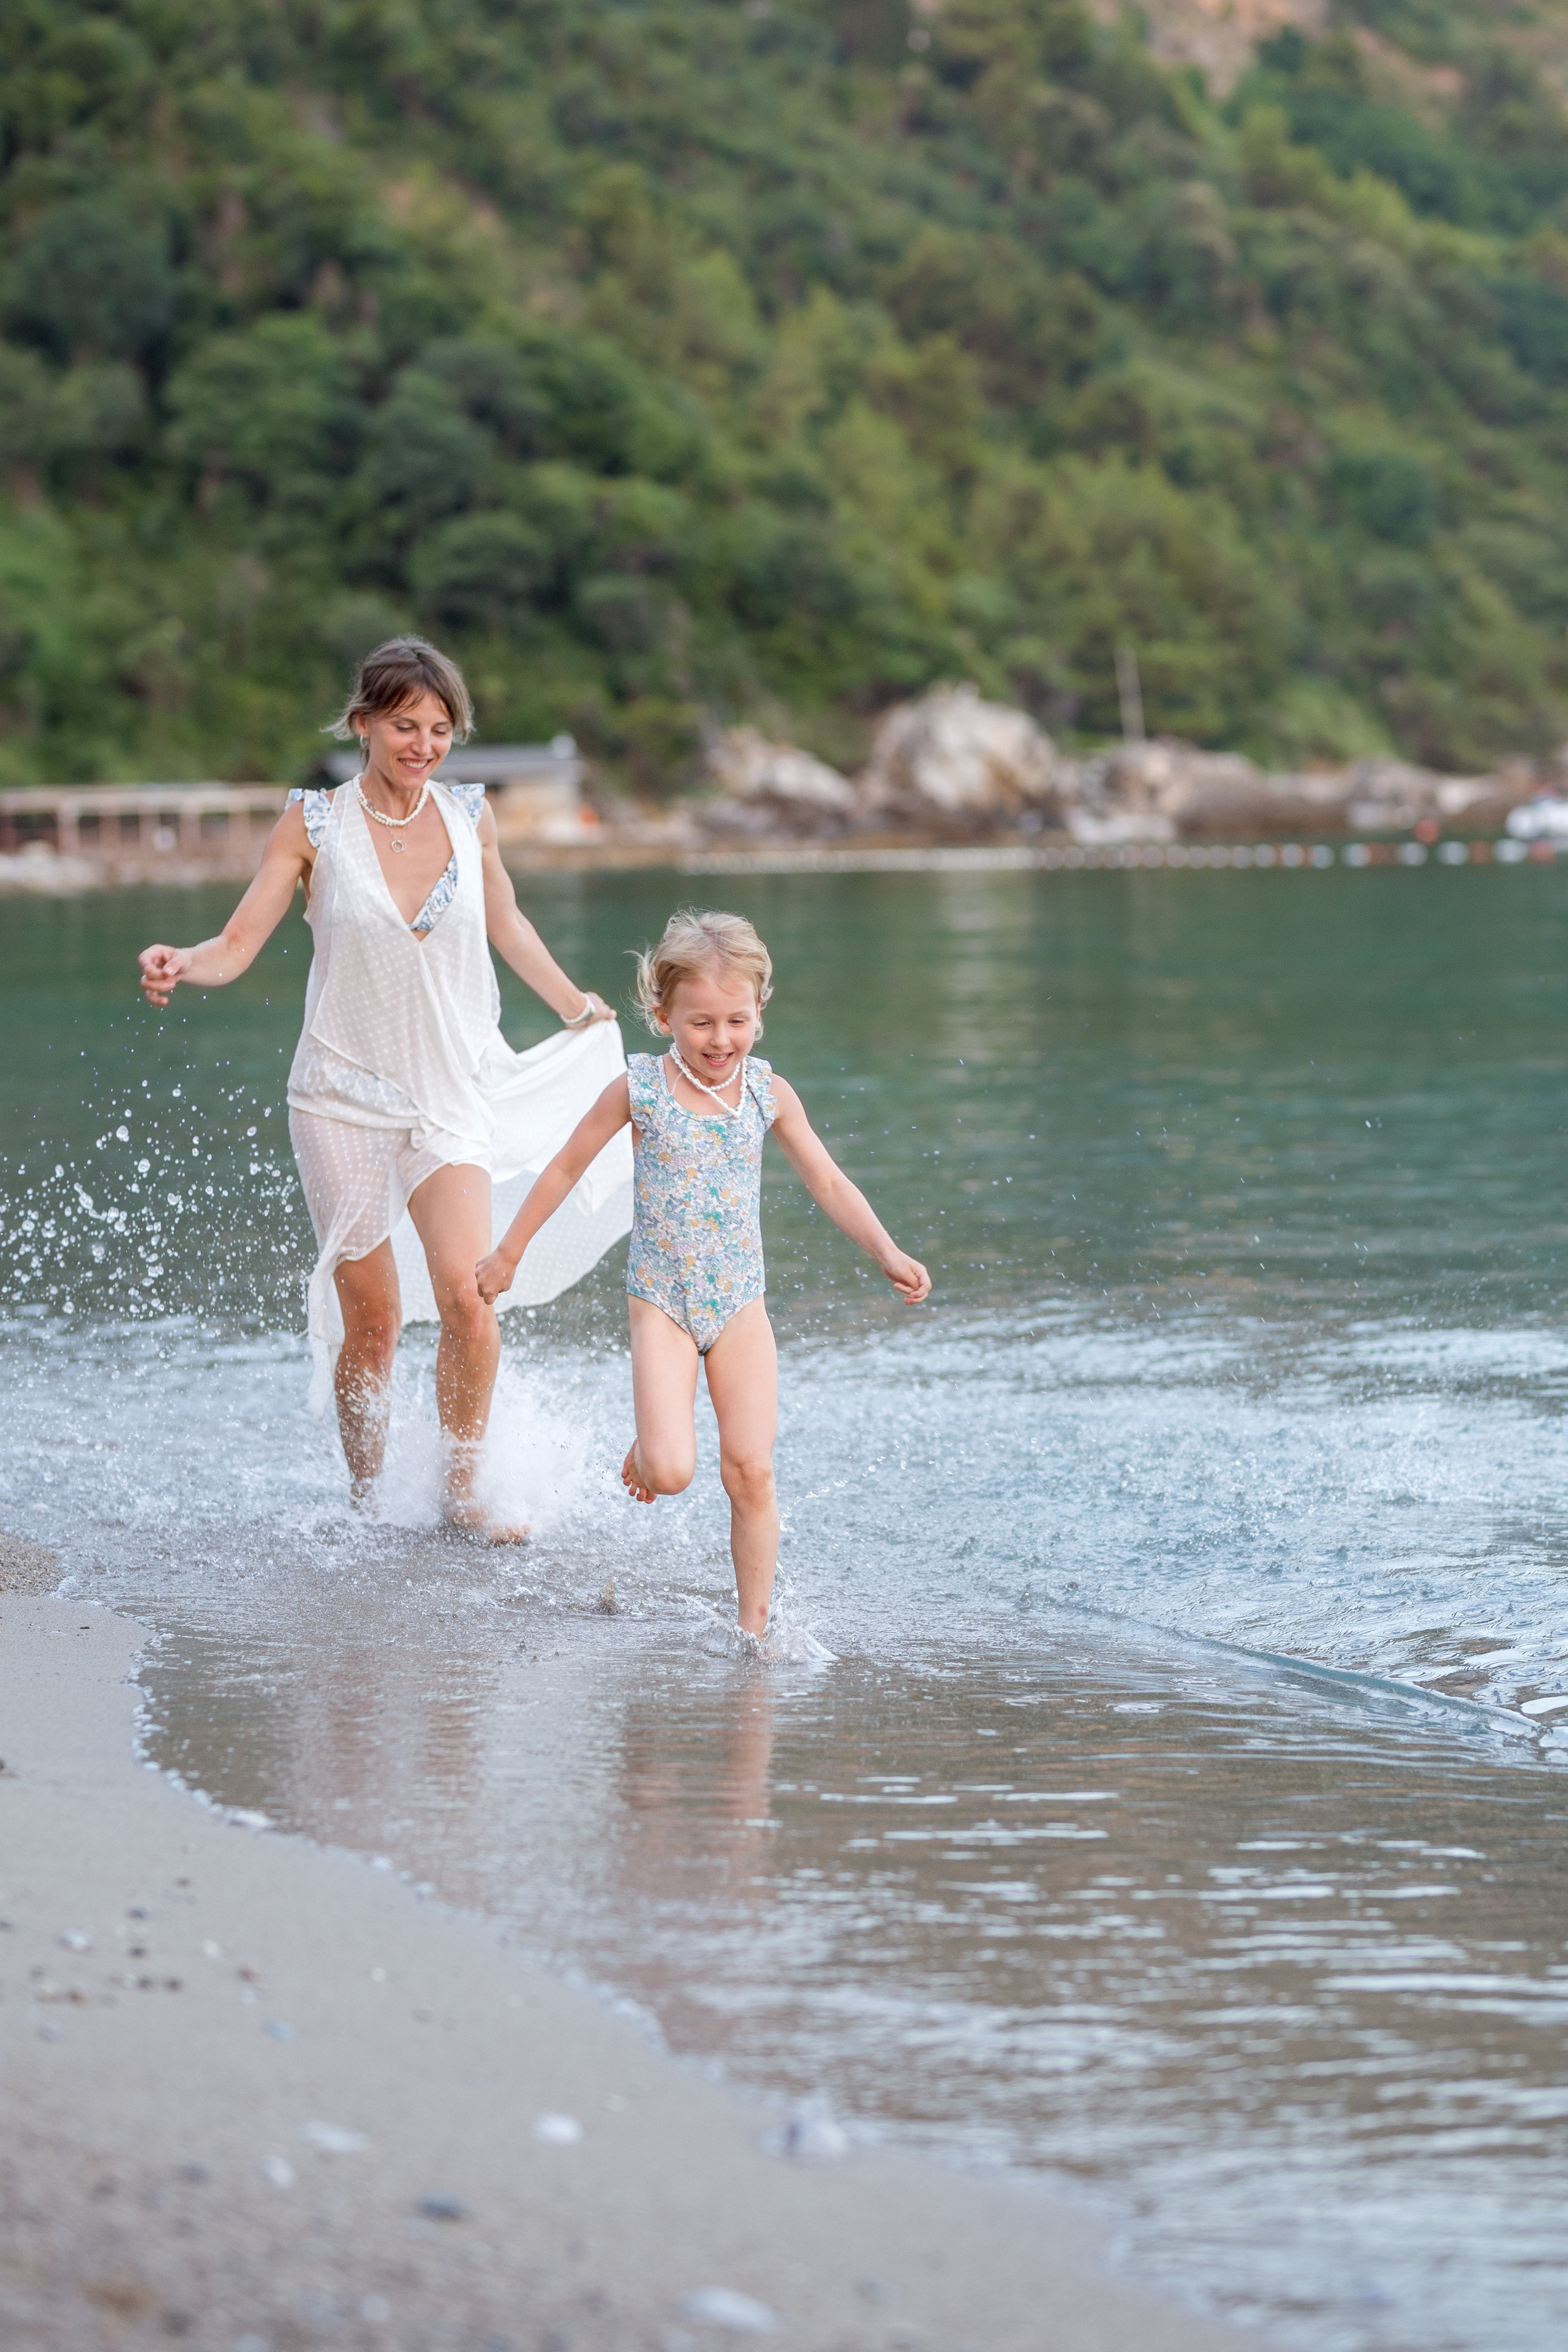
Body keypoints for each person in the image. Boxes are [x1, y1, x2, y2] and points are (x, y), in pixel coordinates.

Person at [137, 636, 627, 1540]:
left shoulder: (469, 815)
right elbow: (239, 944)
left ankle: (461, 1491)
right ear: (363, 724)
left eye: (441, 728)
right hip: (341, 1099)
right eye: (405, 724)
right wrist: (184, 961)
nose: (424, 744)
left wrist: (576, 1007)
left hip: (449, 1098)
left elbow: (509, 925)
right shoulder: (313, 825)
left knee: (469, 1303)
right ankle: (369, 1500)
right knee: (376, 1323)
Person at [475, 908, 930, 1633]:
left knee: (749, 1471)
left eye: (737, 1021)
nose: (721, 1040)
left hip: (740, 1304)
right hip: (662, 1301)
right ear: (663, 1015)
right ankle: (647, 1453)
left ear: (759, 1013)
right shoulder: (640, 1090)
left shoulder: (767, 1094)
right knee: (673, 1472)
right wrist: (508, 1252)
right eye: (702, 1023)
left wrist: (887, 1252)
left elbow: (830, 1182)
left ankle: (754, 1632)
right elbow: (565, 1168)